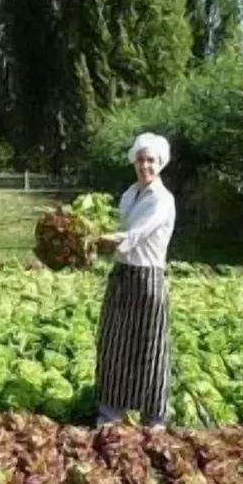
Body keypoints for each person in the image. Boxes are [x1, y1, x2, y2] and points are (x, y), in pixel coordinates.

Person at [94, 132, 177, 428]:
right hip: (122, 275)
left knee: (149, 347)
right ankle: (111, 412)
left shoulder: (162, 200)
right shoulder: (130, 194)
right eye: (140, 160)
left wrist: (103, 240)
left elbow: (137, 234)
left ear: (160, 164)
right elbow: (121, 228)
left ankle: (153, 417)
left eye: (150, 160)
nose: (145, 166)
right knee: (114, 343)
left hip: (147, 277)